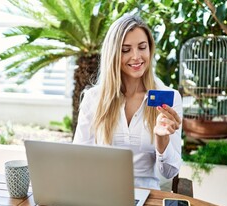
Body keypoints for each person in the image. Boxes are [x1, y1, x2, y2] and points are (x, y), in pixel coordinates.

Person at [73, 14, 183, 190]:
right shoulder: (94, 99)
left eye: (142, 47)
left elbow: (169, 173)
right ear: (113, 54)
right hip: (102, 193)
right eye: (126, 50)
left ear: (150, 49)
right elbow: (78, 160)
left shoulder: (169, 98)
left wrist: (161, 140)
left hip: (148, 197)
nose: (136, 57)